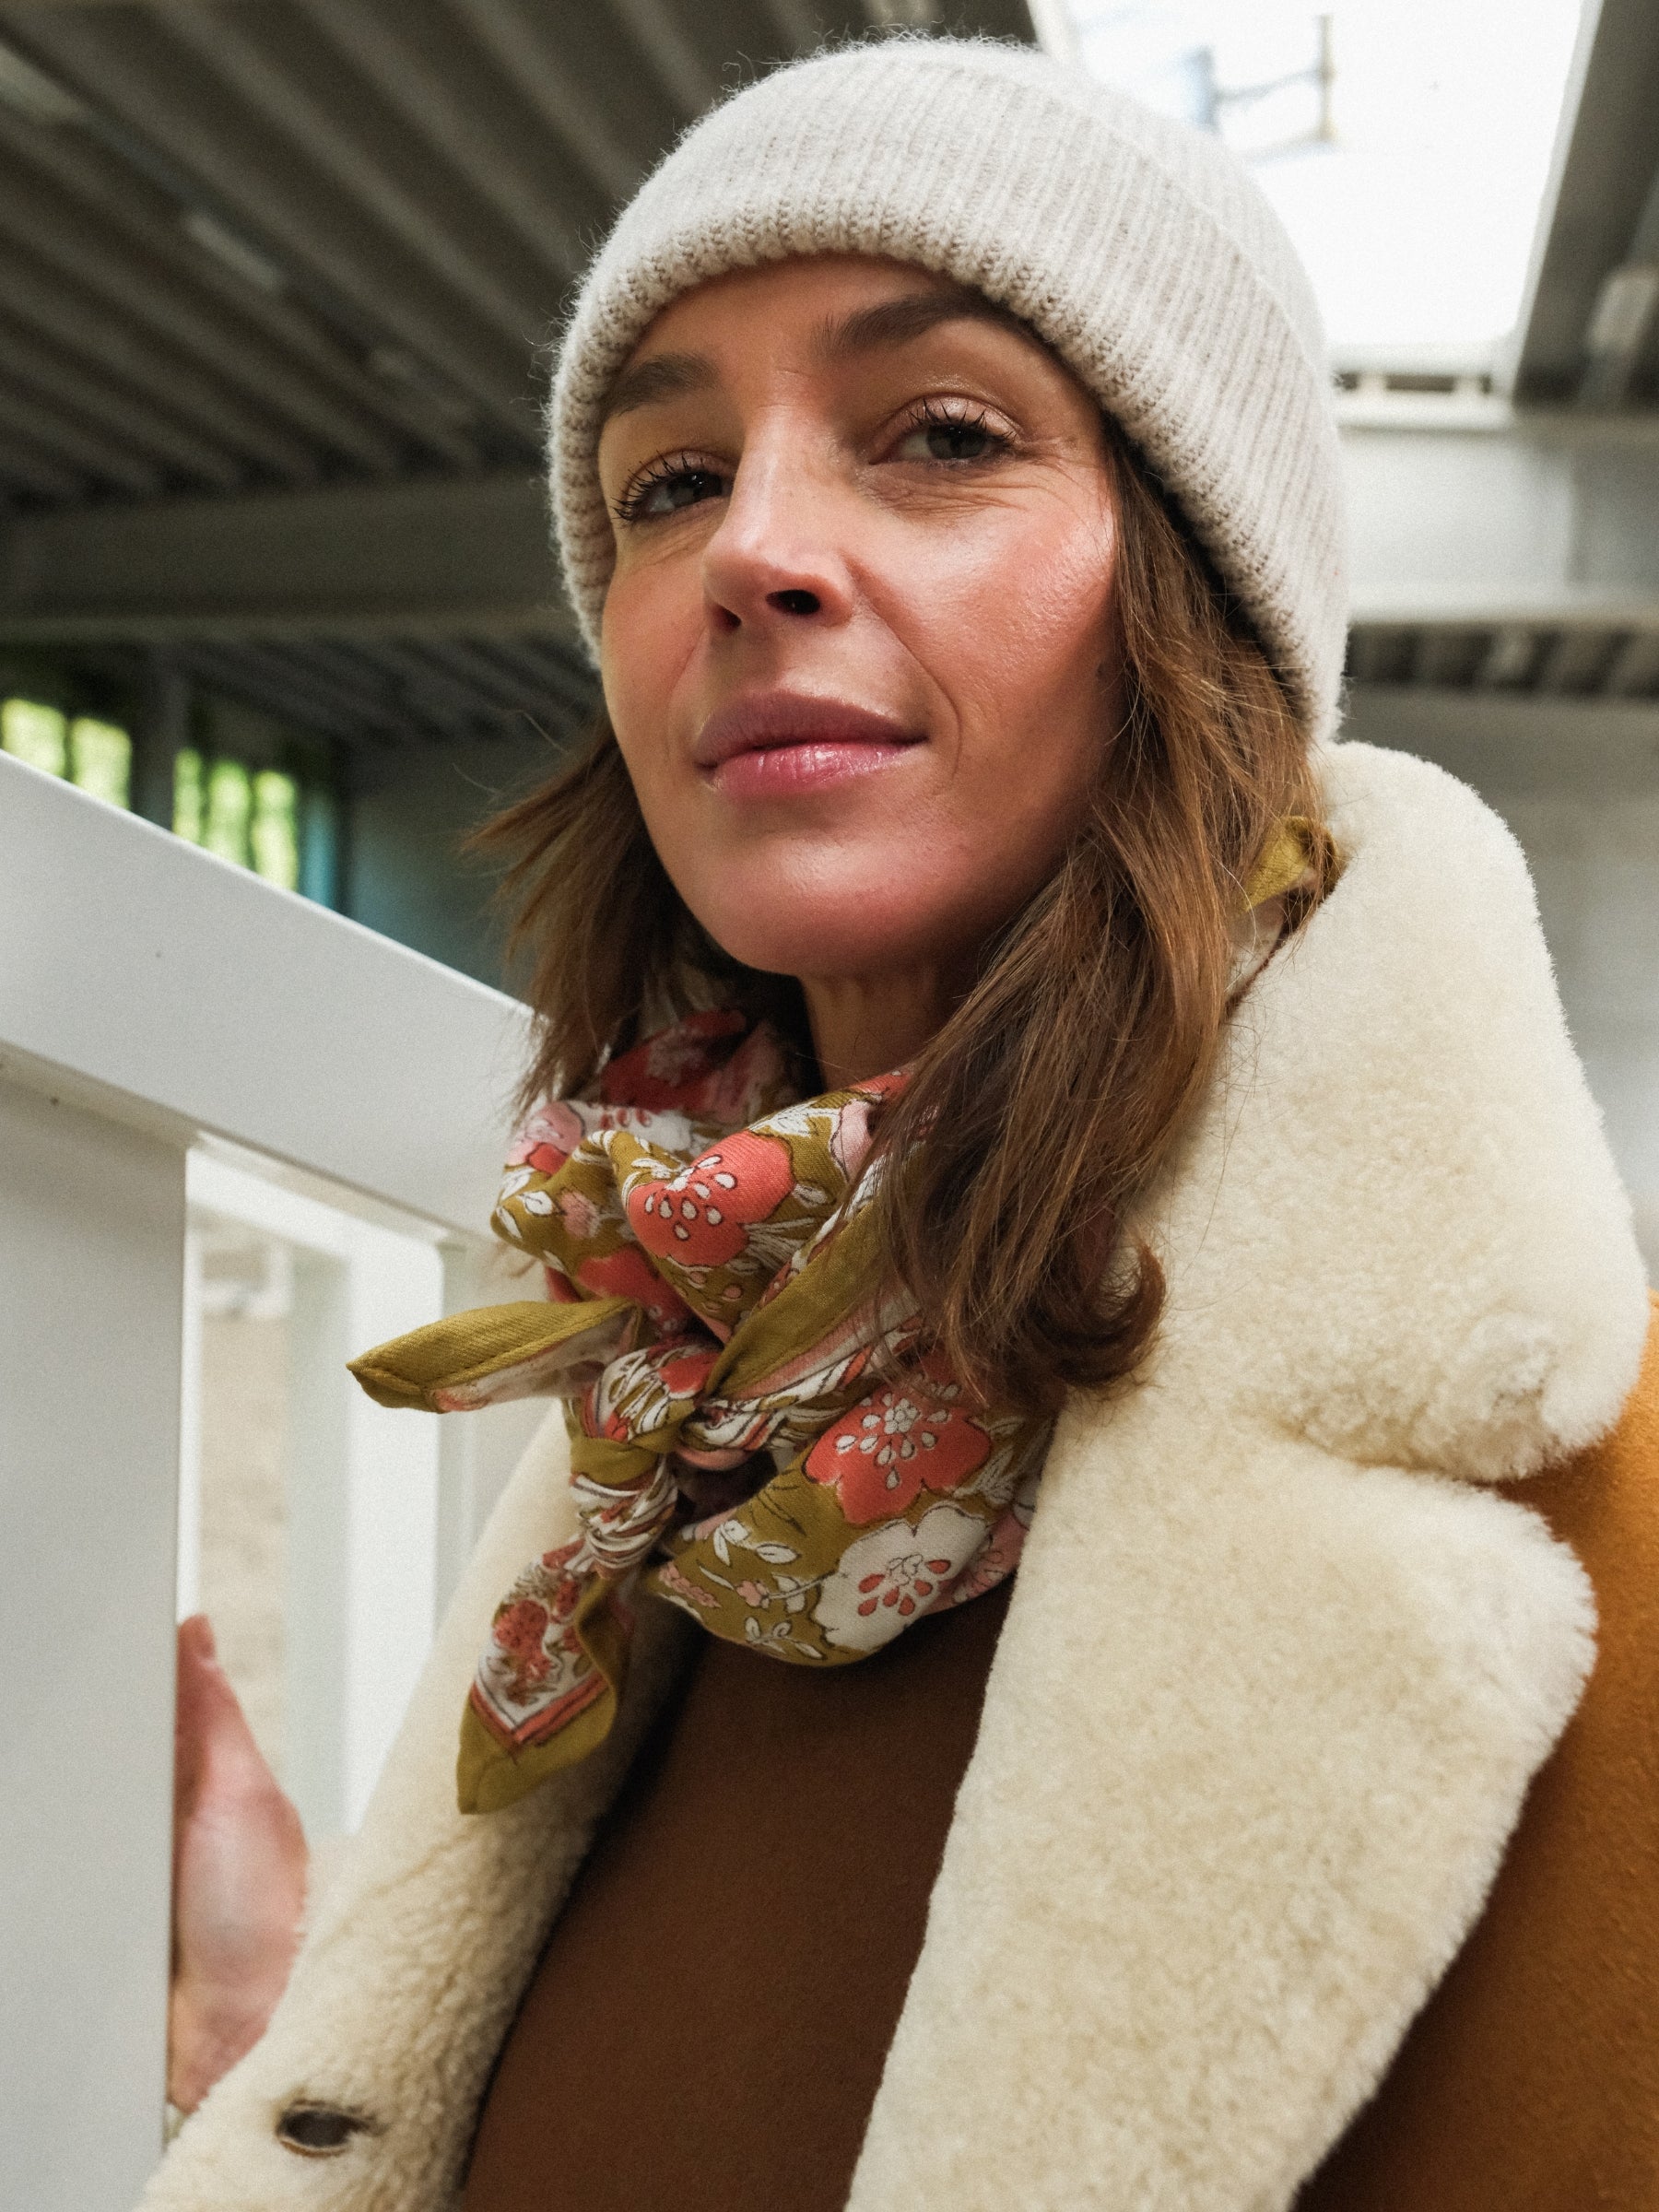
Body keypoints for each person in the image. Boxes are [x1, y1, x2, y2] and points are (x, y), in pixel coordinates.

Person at [144, 35, 1658, 2212]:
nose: (752, 547)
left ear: (1200, 610)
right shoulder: (666, 1432)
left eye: (943, 436)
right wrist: (275, 2059)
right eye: (671, 480)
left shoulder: (1584, 1526)